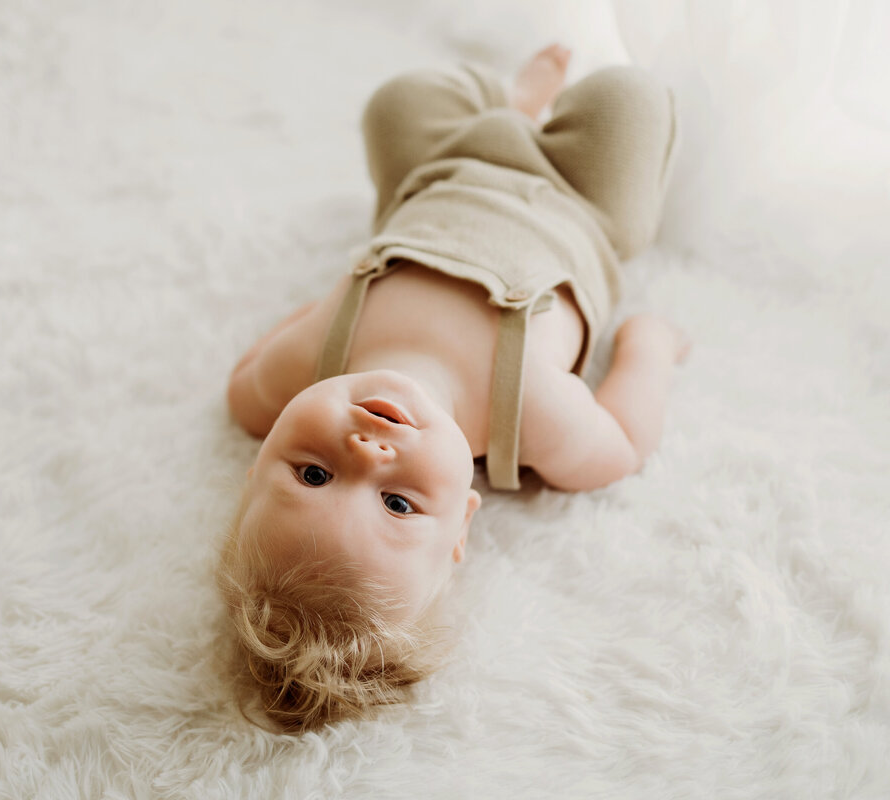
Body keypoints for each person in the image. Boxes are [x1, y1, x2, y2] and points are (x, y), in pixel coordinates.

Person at [218, 44, 687, 732]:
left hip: (441, 174)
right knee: (630, 102)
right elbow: (622, 444)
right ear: (464, 521)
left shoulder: (315, 361)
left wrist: (293, 354)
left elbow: (241, 388)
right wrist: (651, 348)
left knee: (398, 102)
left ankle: (515, 106)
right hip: (575, 200)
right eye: (399, 504)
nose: (368, 453)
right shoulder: (524, 414)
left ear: (257, 464)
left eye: (313, 472)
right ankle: (528, 119)